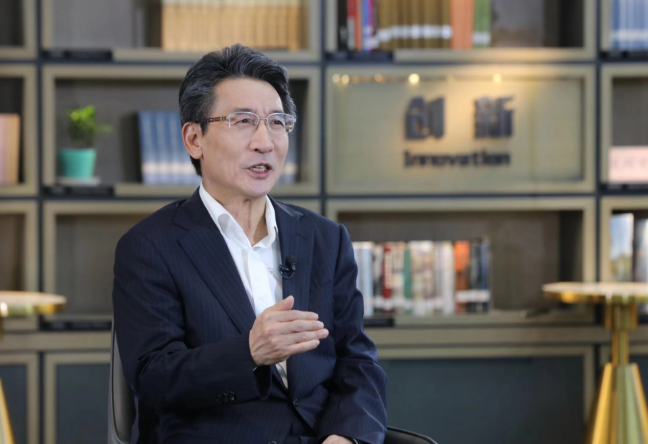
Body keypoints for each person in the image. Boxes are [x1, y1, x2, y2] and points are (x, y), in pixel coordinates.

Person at [111, 44, 387, 444]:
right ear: (194, 139)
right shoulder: (150, 246)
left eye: (277, 122)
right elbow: (155, 379)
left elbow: (357, 361)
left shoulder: (325, 238)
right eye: (243, 121)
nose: (265, 142)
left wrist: (346, 436)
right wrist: (250, 352)